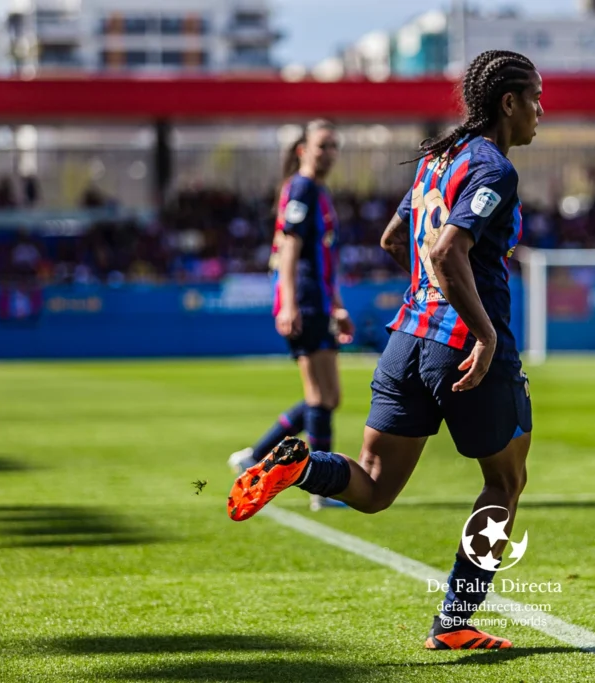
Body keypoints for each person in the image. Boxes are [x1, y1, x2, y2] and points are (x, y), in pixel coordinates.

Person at [227, 50, 542, 650]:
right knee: (505, 481)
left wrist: (428, 298)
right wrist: (483, 331)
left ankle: (300, 466)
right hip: (464, 347)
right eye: (535, 98)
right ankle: (454, 622)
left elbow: (396, 238)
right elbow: (448, 253)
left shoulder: (436, 160)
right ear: (508, 103)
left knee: (371, 487)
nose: (540, 112)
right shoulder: (492, 168)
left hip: (406, 340)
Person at [227, 119, 354, 511]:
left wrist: (336, 304)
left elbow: (323, 258)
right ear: (303, 149)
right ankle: (322, 488)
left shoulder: (318, 191)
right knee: (320, 397)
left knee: (328, 397)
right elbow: (289, 248)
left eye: (334, 146)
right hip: (304, 301)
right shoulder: (301, 188)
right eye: (323, 146)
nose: (329, 153)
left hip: (319, 301)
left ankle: (257, 456)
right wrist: (289, 303)